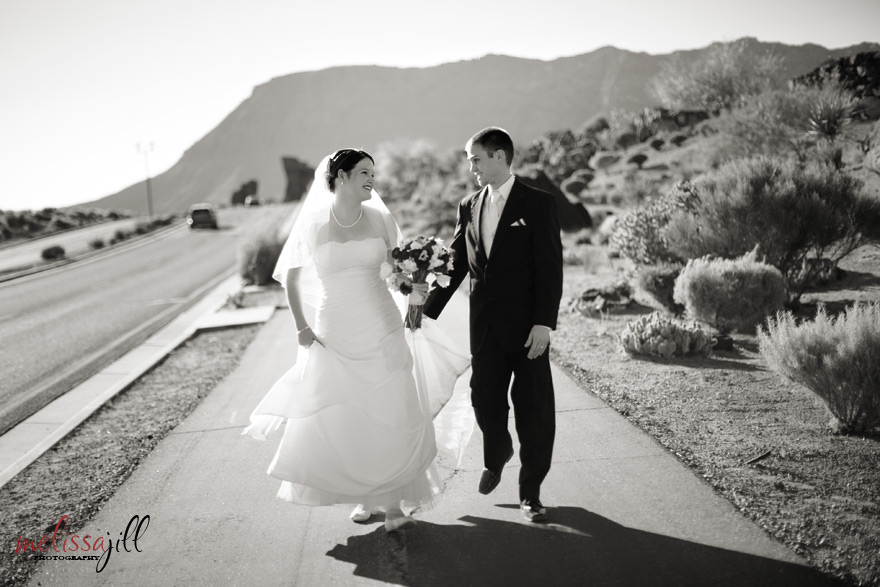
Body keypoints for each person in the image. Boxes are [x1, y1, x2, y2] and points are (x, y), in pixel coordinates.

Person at [243, 149, 468, 532]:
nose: (371, 180)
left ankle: (393, 504)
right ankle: (365, 495)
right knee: (348, 413)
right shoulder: (313, 223)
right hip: (336, 328)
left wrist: (413, 293)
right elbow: (293, 281)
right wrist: (302, 328)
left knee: (392, 409)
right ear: (341, 176)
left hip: (382, 323)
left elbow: (397, 271)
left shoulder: (380, 219)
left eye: (373, 174)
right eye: (364, 172)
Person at [423, 127, 563, 523]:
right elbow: (454, 262)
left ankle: (531, 493)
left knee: (534, 410)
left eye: (476, 159)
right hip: (484, 327)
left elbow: (550, 268)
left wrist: (543, 323)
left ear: (499, 156)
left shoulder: (538, 204)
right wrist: (424, 308)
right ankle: (498, 451)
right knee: (484, 401)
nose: (471, 168)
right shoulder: (468, 205)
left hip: (527, 330)